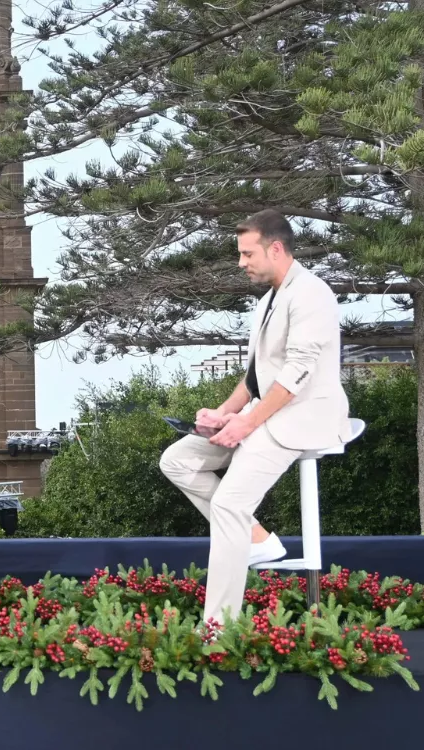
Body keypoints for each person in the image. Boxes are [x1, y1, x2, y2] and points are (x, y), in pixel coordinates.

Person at [159, 210, 350, 627]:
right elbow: (255, 377)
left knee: (229, 504)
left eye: (248, 254)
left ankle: (217, 630)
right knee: (177, 460)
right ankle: (257, 539)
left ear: (275, 248)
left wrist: (246, 424)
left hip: (304, 419)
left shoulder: (312, 294)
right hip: (266, 413)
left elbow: (296, 374)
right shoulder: (267, 301)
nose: (241, 262)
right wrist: (223, 413)